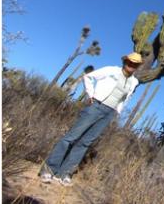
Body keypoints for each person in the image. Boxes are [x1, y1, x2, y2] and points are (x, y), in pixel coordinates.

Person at [39, 52, 143, 185]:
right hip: (96, 106)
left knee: (85, 143)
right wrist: (91, 95)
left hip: (109, 113)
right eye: (130, 62)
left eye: (135, 64)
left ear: (137, 66)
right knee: (71, 137)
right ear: (125, 61)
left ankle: (64, 174)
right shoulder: (111, 70)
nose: (131, 65)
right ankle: (49, 170)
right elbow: (88, 77)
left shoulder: (134, 82)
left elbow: (126, 98)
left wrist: (118, 111)